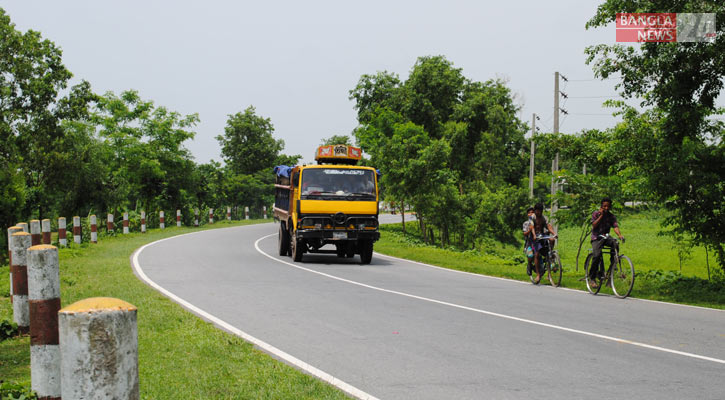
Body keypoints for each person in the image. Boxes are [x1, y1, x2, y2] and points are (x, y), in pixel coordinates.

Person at [589, 197, 624, 288]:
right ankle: (592, 278)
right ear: (601, 206)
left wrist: (620, 235)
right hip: (596, 238)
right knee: (597, 255)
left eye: (608, 206)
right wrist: (601, 215)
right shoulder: (596, 214)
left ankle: (611, 270)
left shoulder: (611, 216)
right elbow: (594, 225)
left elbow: (615, 226)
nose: (606, 208)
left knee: (615, 244)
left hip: (606, 237)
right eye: (604, 206)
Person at [531, 203, 557, 284]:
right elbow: (531, 227)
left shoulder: (544, 218)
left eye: (540, 211)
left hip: (542, 235)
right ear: (535, 210)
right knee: (537, 254)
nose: (539, 212)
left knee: (552, 240)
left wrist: (554, 233)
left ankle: (550, 255)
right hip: (535, 237)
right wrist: (534, 235)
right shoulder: (532, 217)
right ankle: (538, 275)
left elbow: (548, 226)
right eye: (537, 211)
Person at [522, 207, 535, 275]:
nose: (531, 214)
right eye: (529, 213)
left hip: (538, 241)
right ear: (527, 214)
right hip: (529, 243)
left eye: (532, 212)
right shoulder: (526, 223)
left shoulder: (538, 221)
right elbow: (524, 233)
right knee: (530, 255)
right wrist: (530, 230)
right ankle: (529, 265)